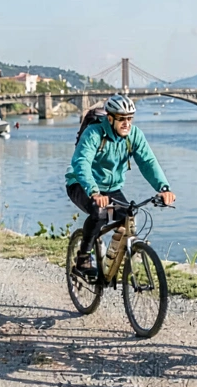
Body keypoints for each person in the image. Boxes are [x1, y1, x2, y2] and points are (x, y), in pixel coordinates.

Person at [65, 95, 175, 277]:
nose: (127, 123)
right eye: (122, 119)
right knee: (99, 213)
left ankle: (113, 259)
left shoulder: (134, 135)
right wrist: (94, 192)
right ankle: (83, 257)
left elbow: (148, 162)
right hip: (81, 183)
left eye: (130, 118)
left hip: (111, 188)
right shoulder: (94, 133)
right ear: (110, 118)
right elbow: (81, 163)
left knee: (128, 216)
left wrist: (164, 188)